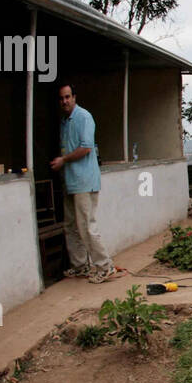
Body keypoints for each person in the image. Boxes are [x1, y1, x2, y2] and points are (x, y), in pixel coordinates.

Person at [52, 84, 116, 283]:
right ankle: (80, 266)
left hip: (84, 181)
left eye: (68, 97)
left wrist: (63, 160)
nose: (65, 101)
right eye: (62, 98)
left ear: (74, 97)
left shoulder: (83, 117)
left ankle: (105, 267)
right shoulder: (65, 121)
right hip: (71, 181)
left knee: (87, 226)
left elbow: (86, 148)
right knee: (71, 226)